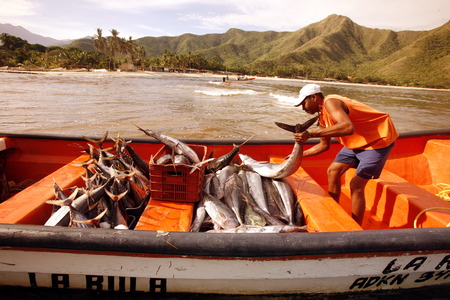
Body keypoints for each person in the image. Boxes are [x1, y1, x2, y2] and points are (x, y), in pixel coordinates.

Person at [293, 84, 399, 225]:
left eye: (304, 103)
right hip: (356, 143)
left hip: (377, 141)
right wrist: (298, 155)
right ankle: (334, 210)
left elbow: (347, 127)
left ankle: (355, 225)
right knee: (333, 171)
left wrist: (311, 133)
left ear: (314, 97)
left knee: (356, 185)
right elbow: (324, 146)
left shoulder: (330, 102)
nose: (303, 108)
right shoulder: (322, 118)